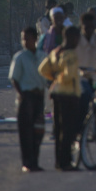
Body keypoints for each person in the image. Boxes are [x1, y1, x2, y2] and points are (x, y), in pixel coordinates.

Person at [38, 25, 81, 171]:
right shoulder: (70, 54)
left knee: (58, 129)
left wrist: (54, 77)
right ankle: (66, 162)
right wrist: (62, 78)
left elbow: (43, 69)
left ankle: (59, 161)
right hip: (68, 94)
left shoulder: (55, 52)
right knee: (68, 130)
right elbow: (69, 74)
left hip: (56, 93)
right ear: (72, 38)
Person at [9, 27, 46, 172]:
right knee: (26, 131)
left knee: (38, 131)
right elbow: (14, 78)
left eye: (28, 38)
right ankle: (27, 162)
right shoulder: (19, 57)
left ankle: (35, 161)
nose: (25, 41)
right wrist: (21, 94)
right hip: (26, 96)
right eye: (23, 38)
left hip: (39, 96)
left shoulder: (42, 56)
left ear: (35, 39)